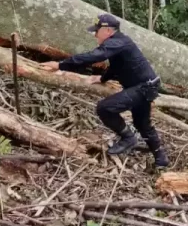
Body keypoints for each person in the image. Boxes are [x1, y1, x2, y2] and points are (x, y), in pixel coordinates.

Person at [40, 13, 169, 168]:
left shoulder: (117, 42)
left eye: (97, 30)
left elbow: (94, 56)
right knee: (142, 124)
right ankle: (161, 159)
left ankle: (129, 138)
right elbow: (116, 67)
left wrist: (60, 65)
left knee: (104, 108)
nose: (95, 34)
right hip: (145, 85)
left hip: (144, 87)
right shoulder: (119, 43)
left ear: (108, 30)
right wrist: (101, 78)